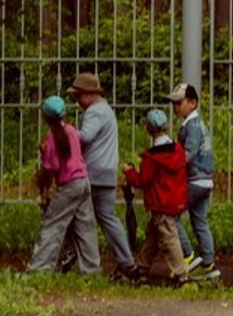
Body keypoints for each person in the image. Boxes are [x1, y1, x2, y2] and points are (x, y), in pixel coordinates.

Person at [69, 73, 138, 280]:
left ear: (90, 94)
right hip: (107, 172)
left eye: (79, 96)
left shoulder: (94, 112)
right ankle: (127, 263)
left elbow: (85, 137)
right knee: (108, 218)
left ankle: (74, 257)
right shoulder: (106, 110)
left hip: (93, 172)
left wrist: (67, 133)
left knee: (75, 216)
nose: (77, 101)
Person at [26, 96, 100, 275]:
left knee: (53, 225)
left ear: (46, 118)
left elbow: (53, 166)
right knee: (85, 228)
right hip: (83, 181)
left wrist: (44, 153)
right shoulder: (72, 131)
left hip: (68, 186)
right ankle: (92, 270)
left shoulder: (52, 136)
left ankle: (39, 269)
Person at [123, 109, 190, 285]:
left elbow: (142, 180)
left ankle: (181, 274)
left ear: (149, 129)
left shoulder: (152, 158)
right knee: (153, 235)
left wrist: (129, 173)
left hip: (160, 202)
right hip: (174, 199)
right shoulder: (177, 150)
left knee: (168, 237)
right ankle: (143, 265)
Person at [169, 84, 221, 281]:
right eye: (174, 103)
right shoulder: (194, 123)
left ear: (193, 103)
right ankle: (208, 262)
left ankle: (187, 253)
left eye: (179, 103)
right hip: (205, 181)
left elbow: (188, 154)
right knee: (199, 219)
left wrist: (172, 165)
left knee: (172, 213)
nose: (176, 107)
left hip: (195, 179)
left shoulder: (192, 126)